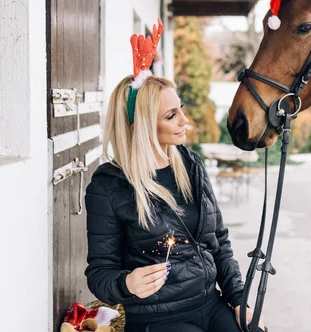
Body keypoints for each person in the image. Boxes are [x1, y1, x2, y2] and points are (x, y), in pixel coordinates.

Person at [84, 19, 265, 332]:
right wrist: (126, 283)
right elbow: (99, 274)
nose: (185, 120)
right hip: (158, 318)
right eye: (171, 115)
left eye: (180, 109)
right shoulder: (109, 186)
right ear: (141, 127)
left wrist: (238, 299)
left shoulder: (190, 164)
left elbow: (218, 241)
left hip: (210, 302)